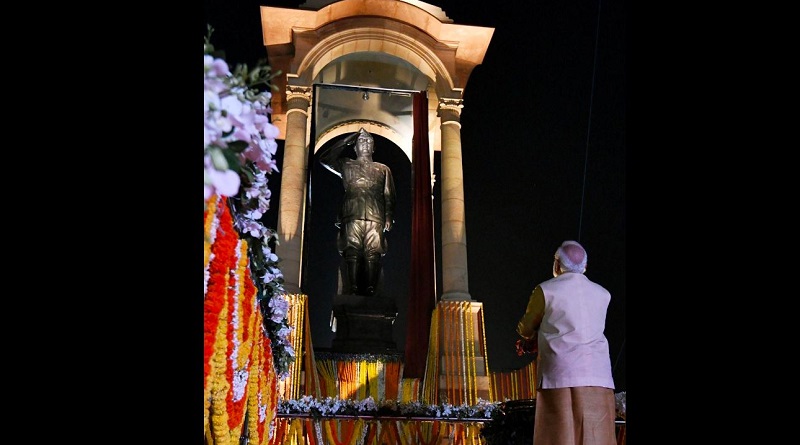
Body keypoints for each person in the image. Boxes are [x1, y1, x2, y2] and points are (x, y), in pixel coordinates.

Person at [516, 240, 617, 445]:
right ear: (585, 267)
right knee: (597, 438)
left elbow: (526, 328)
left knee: (557, 437)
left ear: (556, 264)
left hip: (559, 375)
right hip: (598, 377)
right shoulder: (603, 294)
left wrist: (531, 338)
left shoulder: (545, 290)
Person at [319, 127, 395, 296]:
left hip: (376, 215)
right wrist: (347, 139)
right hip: (351, 212)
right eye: (361, 141)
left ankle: (370, 288)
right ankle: (352, 287)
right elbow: (325, 158)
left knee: (373, 253)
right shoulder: (346, 164)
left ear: (374, 147)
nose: (365, 143)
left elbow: (389, 194)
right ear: (355, 146)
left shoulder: (383, 169)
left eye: (368, 141)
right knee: (352, 251)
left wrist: (389, 215)